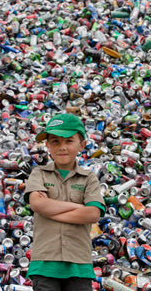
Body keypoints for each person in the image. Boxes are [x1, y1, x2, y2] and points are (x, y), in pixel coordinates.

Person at [24, 113, 106, 291]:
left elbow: (93, 214)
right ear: (47, 145)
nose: (62, 147)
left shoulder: (89, 178)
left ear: (82, 145)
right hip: (45, 262)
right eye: (55, 141)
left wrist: (50, 209)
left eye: (69, 141)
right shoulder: (39, 174)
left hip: (79, 264)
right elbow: (37, 205)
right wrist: (78, 208)